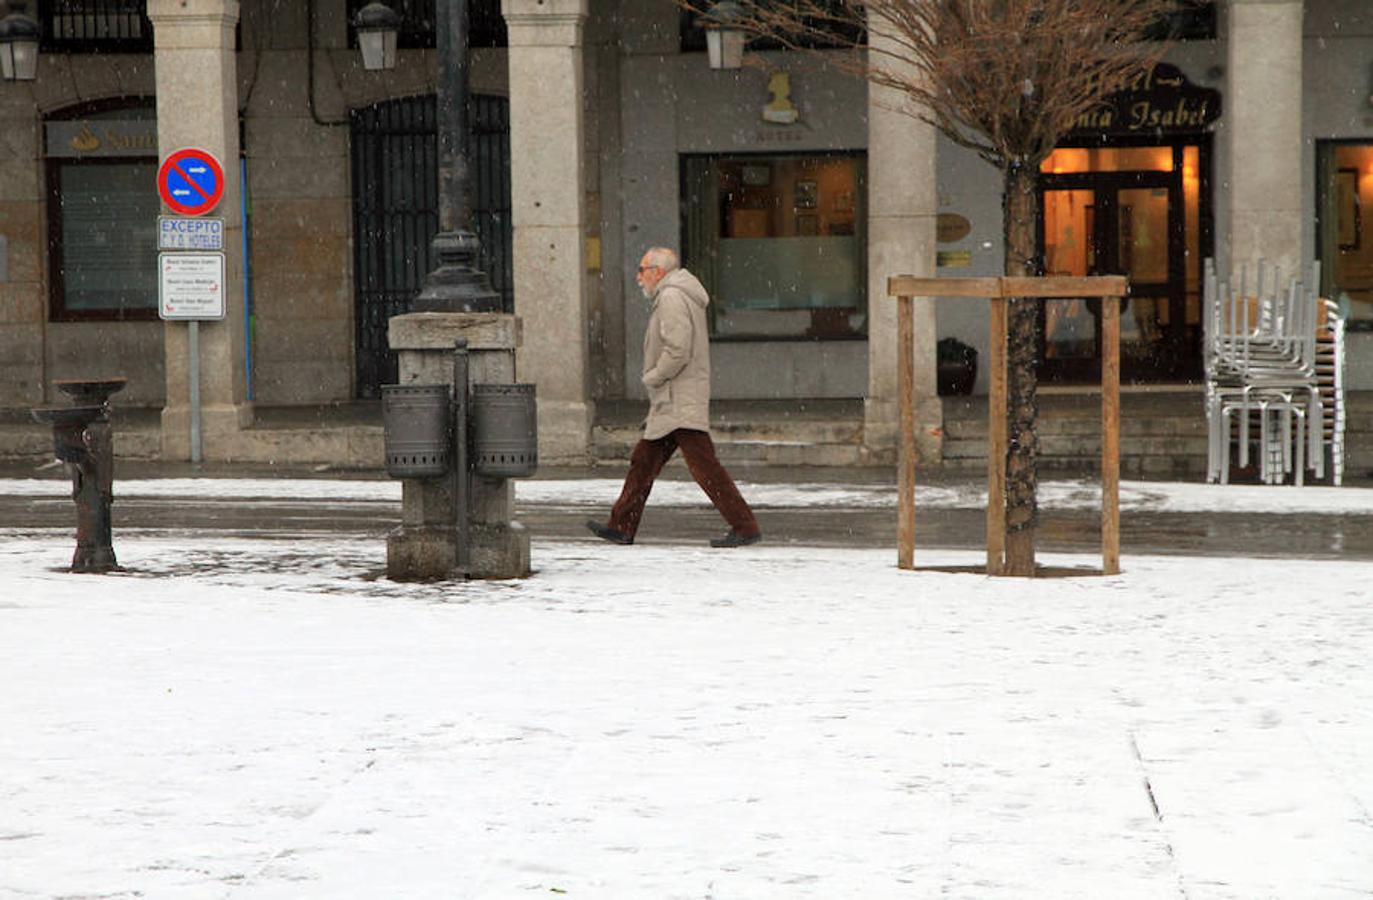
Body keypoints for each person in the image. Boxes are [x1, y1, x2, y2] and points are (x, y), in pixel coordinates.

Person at [586, 247, 762, 548]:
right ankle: (621, 526)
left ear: (658, 272)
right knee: (644, 461)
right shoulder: (678, 294)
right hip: (674, 399)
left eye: (642, 270)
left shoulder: (671, 297)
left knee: (704, 467)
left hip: (678, 397)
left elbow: (678, 349)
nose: (638, 277)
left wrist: (654, 375)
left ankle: (745, 526)